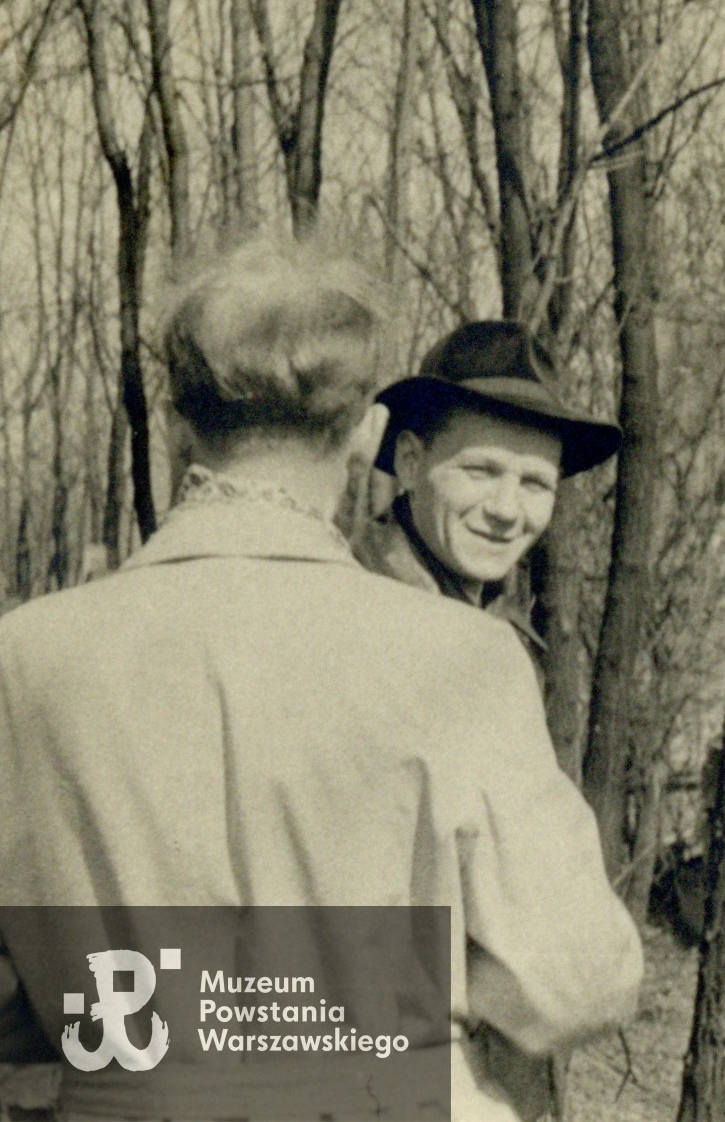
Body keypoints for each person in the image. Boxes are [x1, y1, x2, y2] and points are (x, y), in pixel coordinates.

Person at [0, 234, 644, 1120]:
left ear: (180, 425)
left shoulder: (25, 654)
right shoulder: (461, 656)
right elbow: (573, 978)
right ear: (370, 434)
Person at [353, 319, 620, 660]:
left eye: (535, 483)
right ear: (410, 463)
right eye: (480, 471)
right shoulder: (356, 606)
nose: (506, 510)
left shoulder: (497, 623)